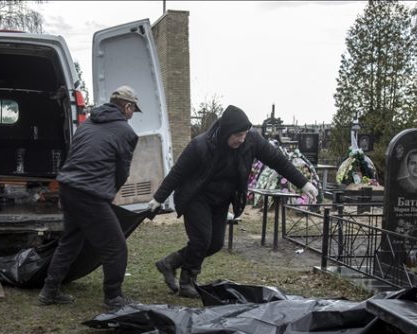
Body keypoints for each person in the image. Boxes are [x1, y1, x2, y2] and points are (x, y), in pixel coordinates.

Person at [148, 105, 318, 298]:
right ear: (226, 131)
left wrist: (303, 183)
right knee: (202, 239)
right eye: (237, 135)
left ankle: (169, 263)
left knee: (215, 243)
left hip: (222, 199)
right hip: (197, 196)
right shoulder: (201, 145)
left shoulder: (252, 140)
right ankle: (187, 282)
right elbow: (177, 173)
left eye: (244, 134)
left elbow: (277, 160)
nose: (242, 139)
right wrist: (158, 198)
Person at [37, 86, 140, 308]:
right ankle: (113, 297)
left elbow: (75, 155)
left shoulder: (87, 124)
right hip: (90, 194)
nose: (132, 114)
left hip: (68, 187)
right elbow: (122, 170)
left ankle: (49, 291)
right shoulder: (126, 132)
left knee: (70, 241)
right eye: (133, 110)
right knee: (116, 246)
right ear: (127, 107)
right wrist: (110, 192)